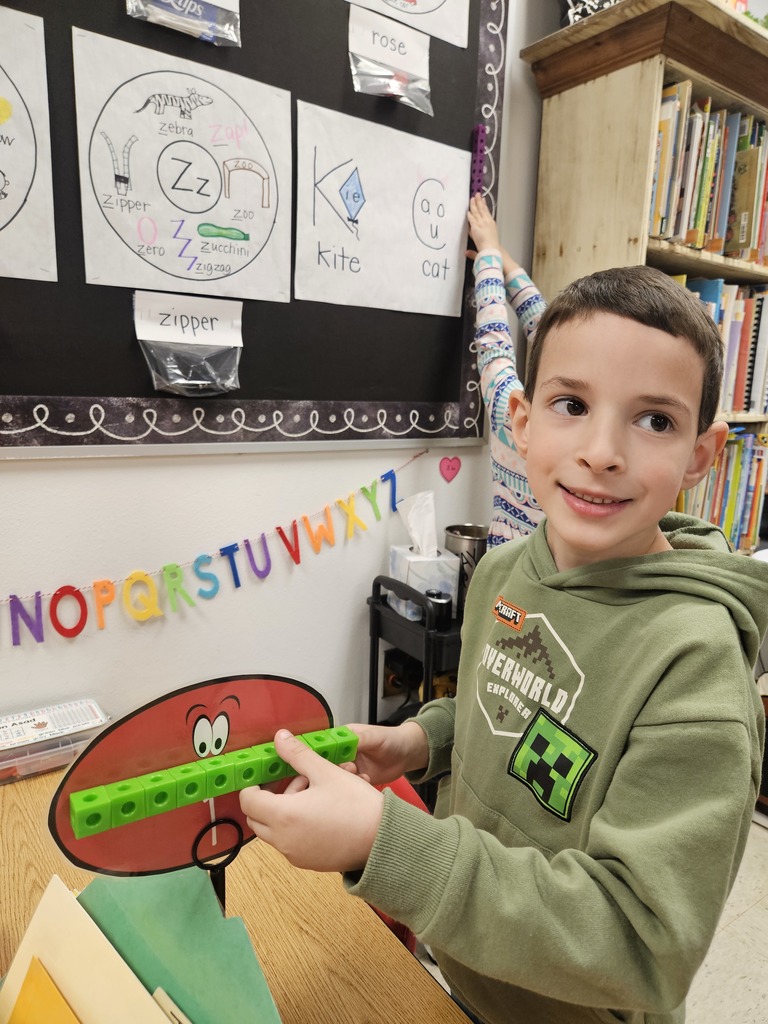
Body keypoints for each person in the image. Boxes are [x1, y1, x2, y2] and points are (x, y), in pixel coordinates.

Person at [240, 264, 768, 1024]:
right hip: (462, 972)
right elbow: (505, 708)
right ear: (521, 420)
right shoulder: (500, 570)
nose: (602, 451)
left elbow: (644, 947)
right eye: (572, 405)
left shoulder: (696, 669)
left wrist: (389, 844)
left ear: (700, 454)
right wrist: (421, 740)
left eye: (655, 420)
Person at [466, 192, 547, 546]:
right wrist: (501, 258)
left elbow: (493, 347)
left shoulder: (515, 420)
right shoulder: (596, 443)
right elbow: (554, 334)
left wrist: (489, 255)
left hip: (509, 578)